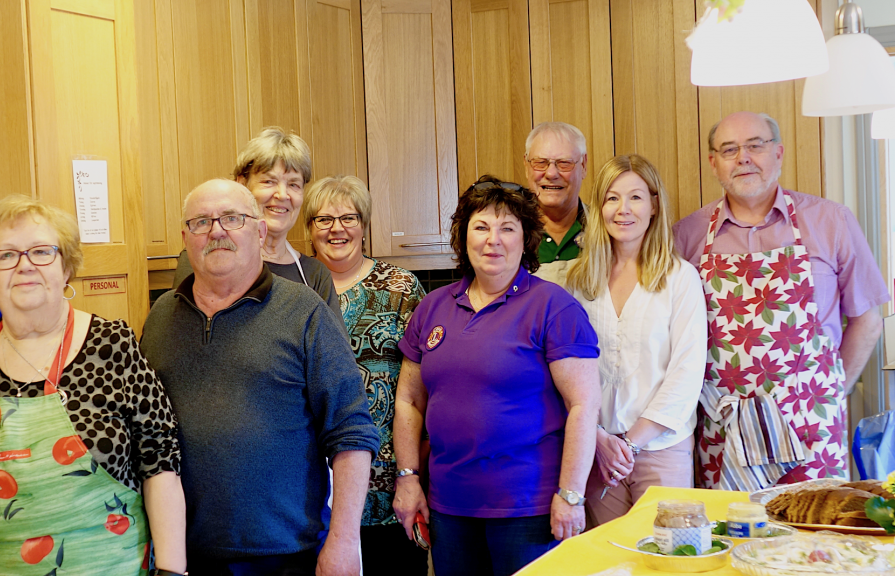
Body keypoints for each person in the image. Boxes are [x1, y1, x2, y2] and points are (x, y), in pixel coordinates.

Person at [0, 196, 186, 575]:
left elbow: (160, 465)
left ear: (66, 267)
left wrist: (172, 572)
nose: (24, 265)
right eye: (5, 256)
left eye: (41, 252)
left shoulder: (113, 346)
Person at [141, 179, 380, 575]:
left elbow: (351, 432)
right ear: (185, 238)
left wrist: (344, 540)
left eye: (232, 219)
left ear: (260, 230)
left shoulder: (305, 311)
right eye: (201, 222)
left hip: (287, 555)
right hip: (181, 555)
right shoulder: (161, 317)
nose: (216, 231)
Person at [392, 176, 601, 576]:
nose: (494, 240)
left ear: (526, 239)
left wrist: (571, 495)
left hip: (529, 508)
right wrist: (408, 478)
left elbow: (583, 404)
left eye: (507, 228)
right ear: (463, 236)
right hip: (449, 506)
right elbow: (409, 401)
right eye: (481, 227)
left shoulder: (554, 308)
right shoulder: (433, 308)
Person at [674, 111, 889, 491]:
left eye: (755, 145)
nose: (743, 157)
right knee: (733, 535)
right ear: (713, 163)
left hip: (809, 423)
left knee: (816, 536)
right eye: (729, 149)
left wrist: (832, 390)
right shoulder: (687, 235)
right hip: (725, 428)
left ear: (779, 152)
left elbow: (868, 320)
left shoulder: (830, 221)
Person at [565, 155, 707, 526]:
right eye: (612, 198)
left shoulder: (679, 278)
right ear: (599, 208)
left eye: (635, 197)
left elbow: (686, 373)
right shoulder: (578, 281)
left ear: (655, 204)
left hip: (662, 449)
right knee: (608, 560)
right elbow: (565, 370)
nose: (623, 210)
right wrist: (598, 439)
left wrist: (629, 443)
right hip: (597, 452)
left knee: (665, 560)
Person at [302, 175, 428, 575]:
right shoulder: (293, 291)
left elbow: (425, 389)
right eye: (323, 220)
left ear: (365, 225)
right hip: (309, 486)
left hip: (391, 483)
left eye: (348, 217)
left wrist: (414, 474)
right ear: (308, 229)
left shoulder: (401, 288)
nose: (336, 229)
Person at [172, 126, 342, 322]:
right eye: (269, 181)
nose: (282, 195)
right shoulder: (207, 256)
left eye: (293, 184)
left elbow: (334, 349)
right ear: (241, 185)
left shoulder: (315, 274)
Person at [523, 122, 589, 286]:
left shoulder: (608, 231)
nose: (551, 173)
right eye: (540, 162)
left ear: (584, 165)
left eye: (564, 163)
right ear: (526, 166)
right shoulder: (508, 235)